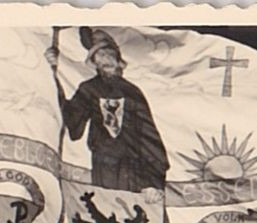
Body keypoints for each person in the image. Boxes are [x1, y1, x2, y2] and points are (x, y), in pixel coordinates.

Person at [49, 28, 168, 192]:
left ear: (118, 59)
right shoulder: (89, 89)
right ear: (95, 62)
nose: (105, 59)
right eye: (100, 55)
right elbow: (72, 120)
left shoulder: (132, 92)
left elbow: (149, 136)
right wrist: (53, 73)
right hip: (102, 165)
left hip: (132, 169)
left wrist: (153, 183)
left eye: (108, 53)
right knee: (107, 212)